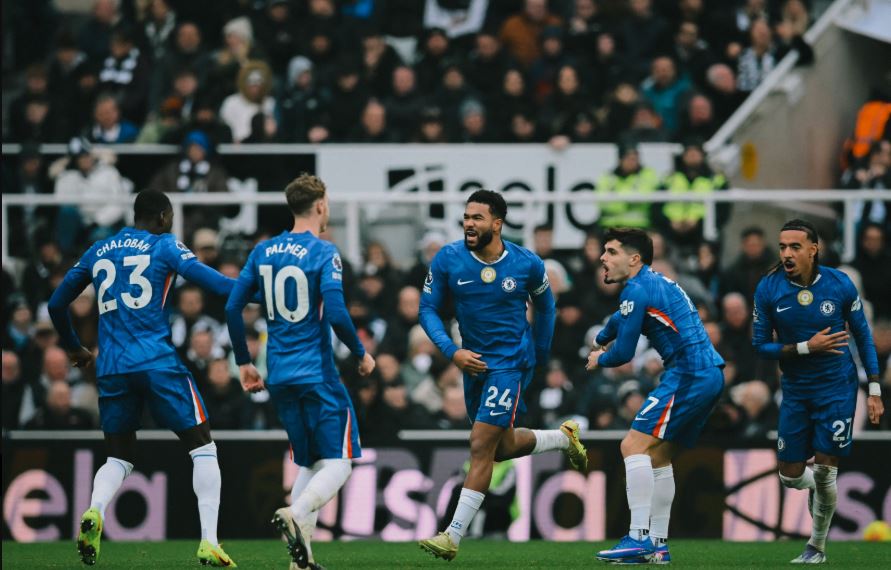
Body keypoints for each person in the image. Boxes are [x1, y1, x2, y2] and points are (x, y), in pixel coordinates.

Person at [46, 190, 239, 567]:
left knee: (118, 455)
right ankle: (209, 541)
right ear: (164, 217)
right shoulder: (164, 245)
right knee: (202, 446)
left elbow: (56, 304)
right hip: (156, 361)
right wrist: (257, 289)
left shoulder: (100, 249)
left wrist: (74, 348)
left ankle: (95, 509)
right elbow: (216, 284)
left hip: (112, 366)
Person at [417, 190, 584, 562]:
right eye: (466, 217)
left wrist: (537, 357)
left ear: (498, 222)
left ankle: (452, 535)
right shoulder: (448, 259)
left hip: (509, 364)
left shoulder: (527, 264)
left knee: (480, 446)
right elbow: (426, 309)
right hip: (472, 363)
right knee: (503, 447)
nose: (469, 224)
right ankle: (563, 438)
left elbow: (546, 309)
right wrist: (453, 351)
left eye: (477, 217)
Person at [226, 173, 374, 570]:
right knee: (340, 462)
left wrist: (244, 361)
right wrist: (361, 353)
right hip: (317, 373)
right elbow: (338, 313)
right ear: (321, 206)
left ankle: (301, 561)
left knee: (309, 463)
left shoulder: (263, 251)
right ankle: (298, 510)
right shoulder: (325, 253)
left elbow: (231, 307)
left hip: (279, 376)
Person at [585, 227, 724, 565]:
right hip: (708, 373)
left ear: (634, 259)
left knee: (631, 446)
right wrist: (604, 334)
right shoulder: (652, 282)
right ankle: (659, 545)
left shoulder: (636, 289)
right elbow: (621, 318)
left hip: (688, 374)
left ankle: (637, 537)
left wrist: (599, 357)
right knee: (659, 456)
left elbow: (624, 355)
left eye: (611, 252)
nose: (603, 257)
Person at [751, 219, 883, 564]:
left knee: (827, 469)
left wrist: (874, 388)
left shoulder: (840, 284)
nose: (787, 254)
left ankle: (817, 546)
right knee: (790, 476)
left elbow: (864, 337)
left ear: (814, 249)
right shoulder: (768, 288)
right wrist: (807, 347)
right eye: (782, 247)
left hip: (837, 387)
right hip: (795, 389)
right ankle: (819, 489)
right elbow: (760, 345)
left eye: (795, 247)